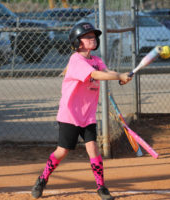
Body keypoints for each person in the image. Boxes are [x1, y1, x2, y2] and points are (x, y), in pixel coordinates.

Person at [31, 22, 132, 200]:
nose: (93, 39)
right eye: (88, 36)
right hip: (70, 115)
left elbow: (106, 71)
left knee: (93, 148)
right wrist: (118, 76)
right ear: (78, 42)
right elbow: (96, 75)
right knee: (62, 151)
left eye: (93, 36)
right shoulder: (76, 60)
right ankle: (42, 179)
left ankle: (101, 187)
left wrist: (121, 77)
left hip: (88, 115)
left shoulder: (96, 60)